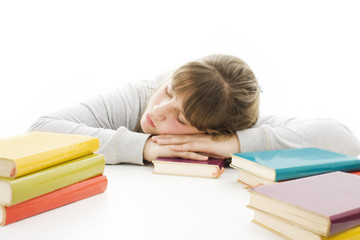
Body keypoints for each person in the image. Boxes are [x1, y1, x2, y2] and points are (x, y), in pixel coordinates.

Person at [27, 54, 360, 165]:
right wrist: (144, 146)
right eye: (170, 91)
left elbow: (344, 141)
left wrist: (234, 145)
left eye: (181, 118)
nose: (158, 111)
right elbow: (41, 130)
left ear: (211, 131)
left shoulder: (233, 125)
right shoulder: (144, 96)